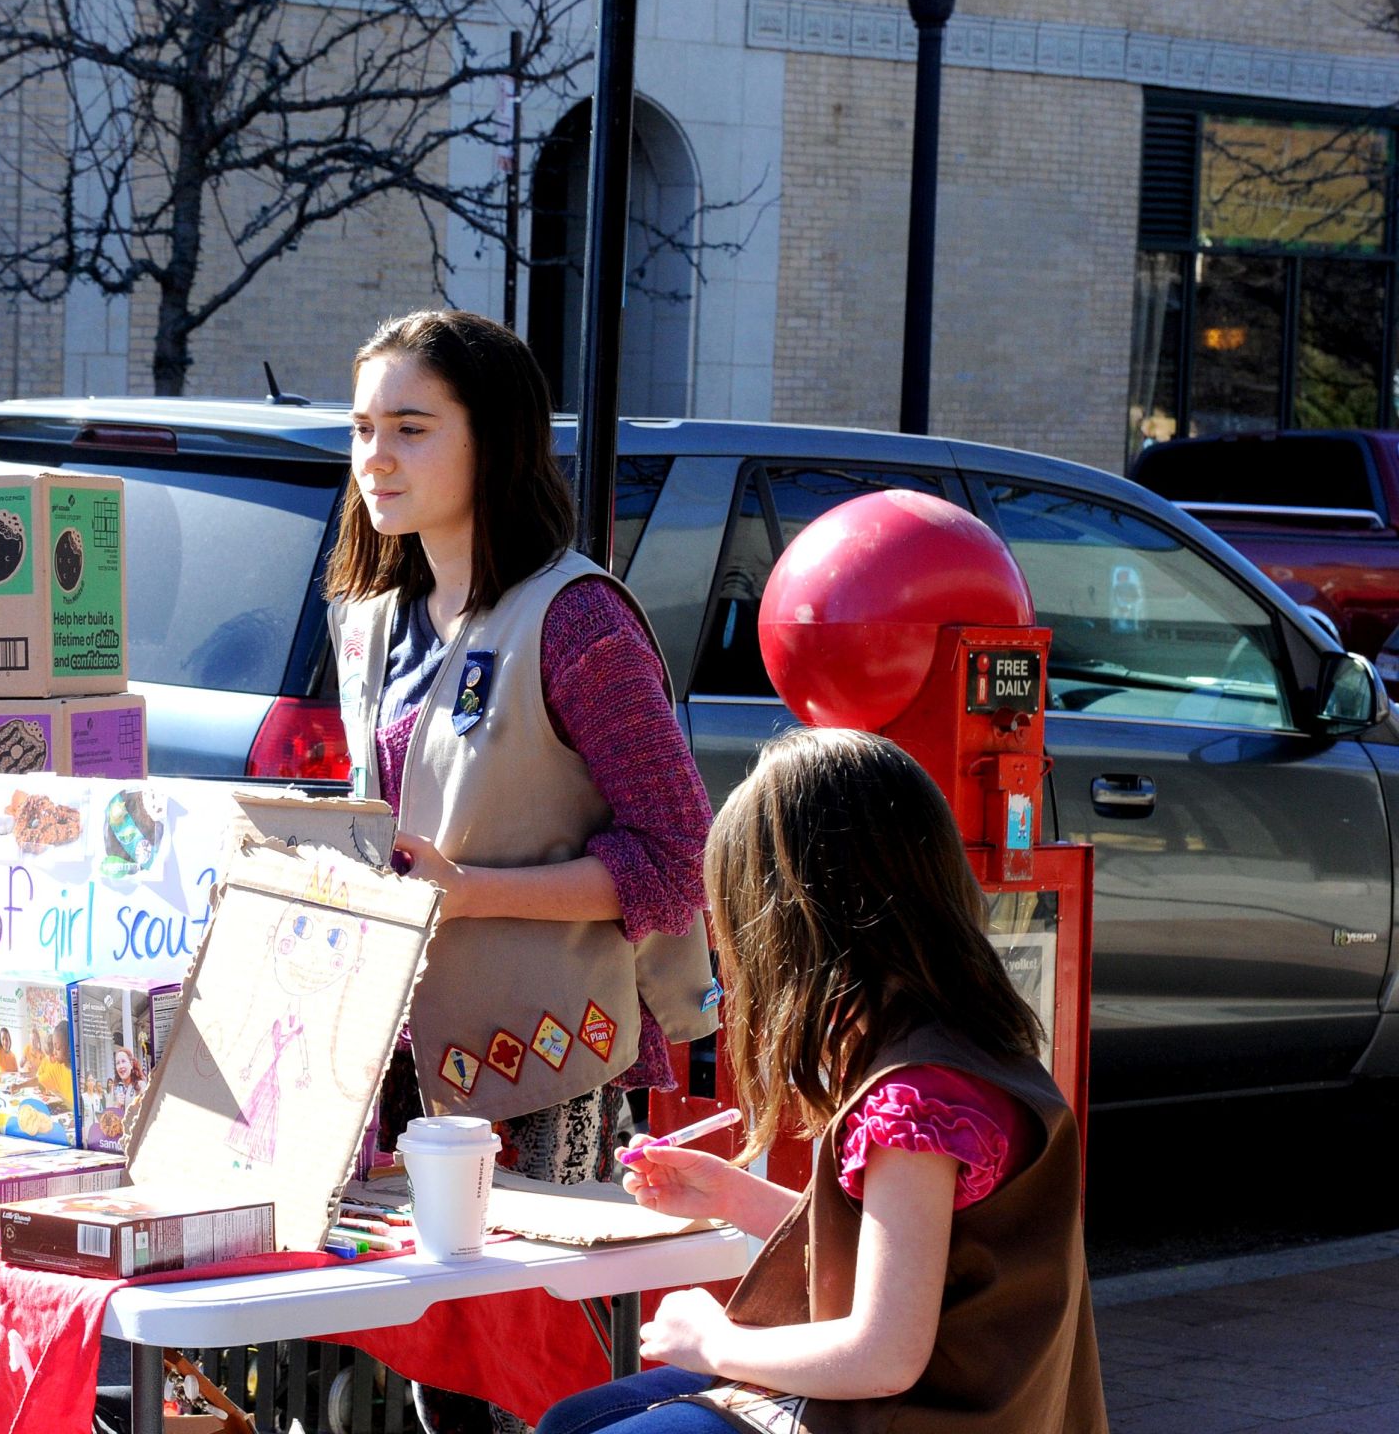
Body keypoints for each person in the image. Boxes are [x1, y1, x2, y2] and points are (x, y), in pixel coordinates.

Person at [327, 309, 720, 1431]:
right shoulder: (371, 618)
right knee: (436, 1376)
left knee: (547, 1381)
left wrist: (472, 889)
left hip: (551, 1060)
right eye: (361, 430)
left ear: (491, 442)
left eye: (410, 428)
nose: (375, 460)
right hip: (399, 1058)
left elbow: (676, 860)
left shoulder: (577, 617)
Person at [541, 727, 1105, 1433]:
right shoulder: (967, 1046)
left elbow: (883, 1355)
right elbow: (911, 1254)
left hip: (907, 1410)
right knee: (575, 1420)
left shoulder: (915, 1101)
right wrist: (733, 1195)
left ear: (792, 924)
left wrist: (714, 1340)